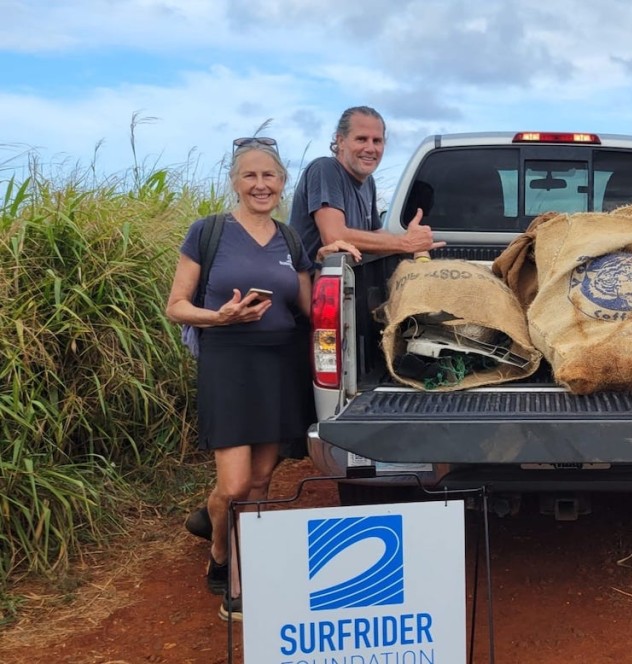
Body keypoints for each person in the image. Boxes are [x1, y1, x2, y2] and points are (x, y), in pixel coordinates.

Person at [166, 138, 355, 620]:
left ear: (282, 183)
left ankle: (238, 571)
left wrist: (337, 257)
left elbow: (311, 309)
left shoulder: (291, 241)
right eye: (250, 176)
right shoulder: (206, 232)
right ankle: (221, 553)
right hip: (227, 362)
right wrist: (220, 316)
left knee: (262, 479)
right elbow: (176, 307)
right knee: (232, 485)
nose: (260, 184)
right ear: (235, 182)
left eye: (269, 176)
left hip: (278, 363)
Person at [289, 105, 444, 266]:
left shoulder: (368, 182)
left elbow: (376, 234)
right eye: (361, 139)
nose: (370, 148)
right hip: (310, 283)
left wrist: (415, 243)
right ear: (340, 141)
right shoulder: (325, 169)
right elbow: (334, 236)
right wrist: (405, 243)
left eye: (377, 141)